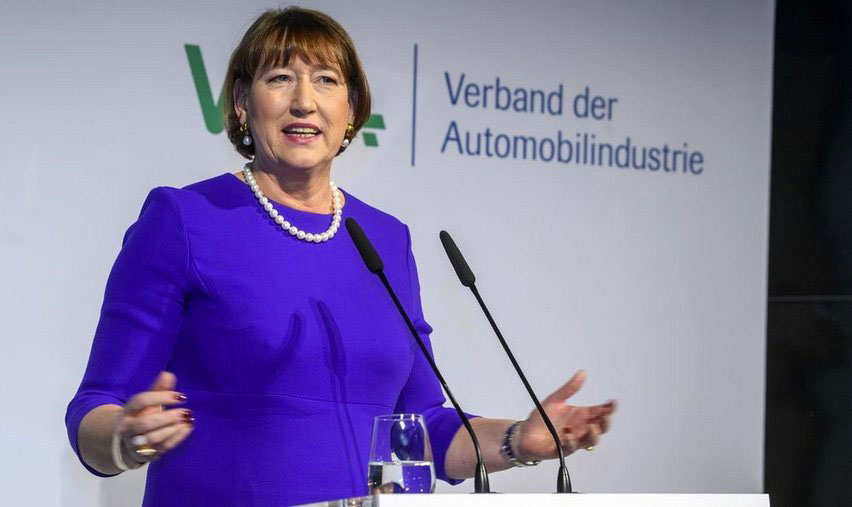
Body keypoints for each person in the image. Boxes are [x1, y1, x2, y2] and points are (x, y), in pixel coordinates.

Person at [65, 6, 615, 506]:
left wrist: (520, 439)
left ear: (350, 110)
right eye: (280, 78)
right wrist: (124, 438)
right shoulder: (186, 219)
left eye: (326, 80)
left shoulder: (385, 240)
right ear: (241, 103)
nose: (304, 100)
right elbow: (95, 407)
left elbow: (418, 429)